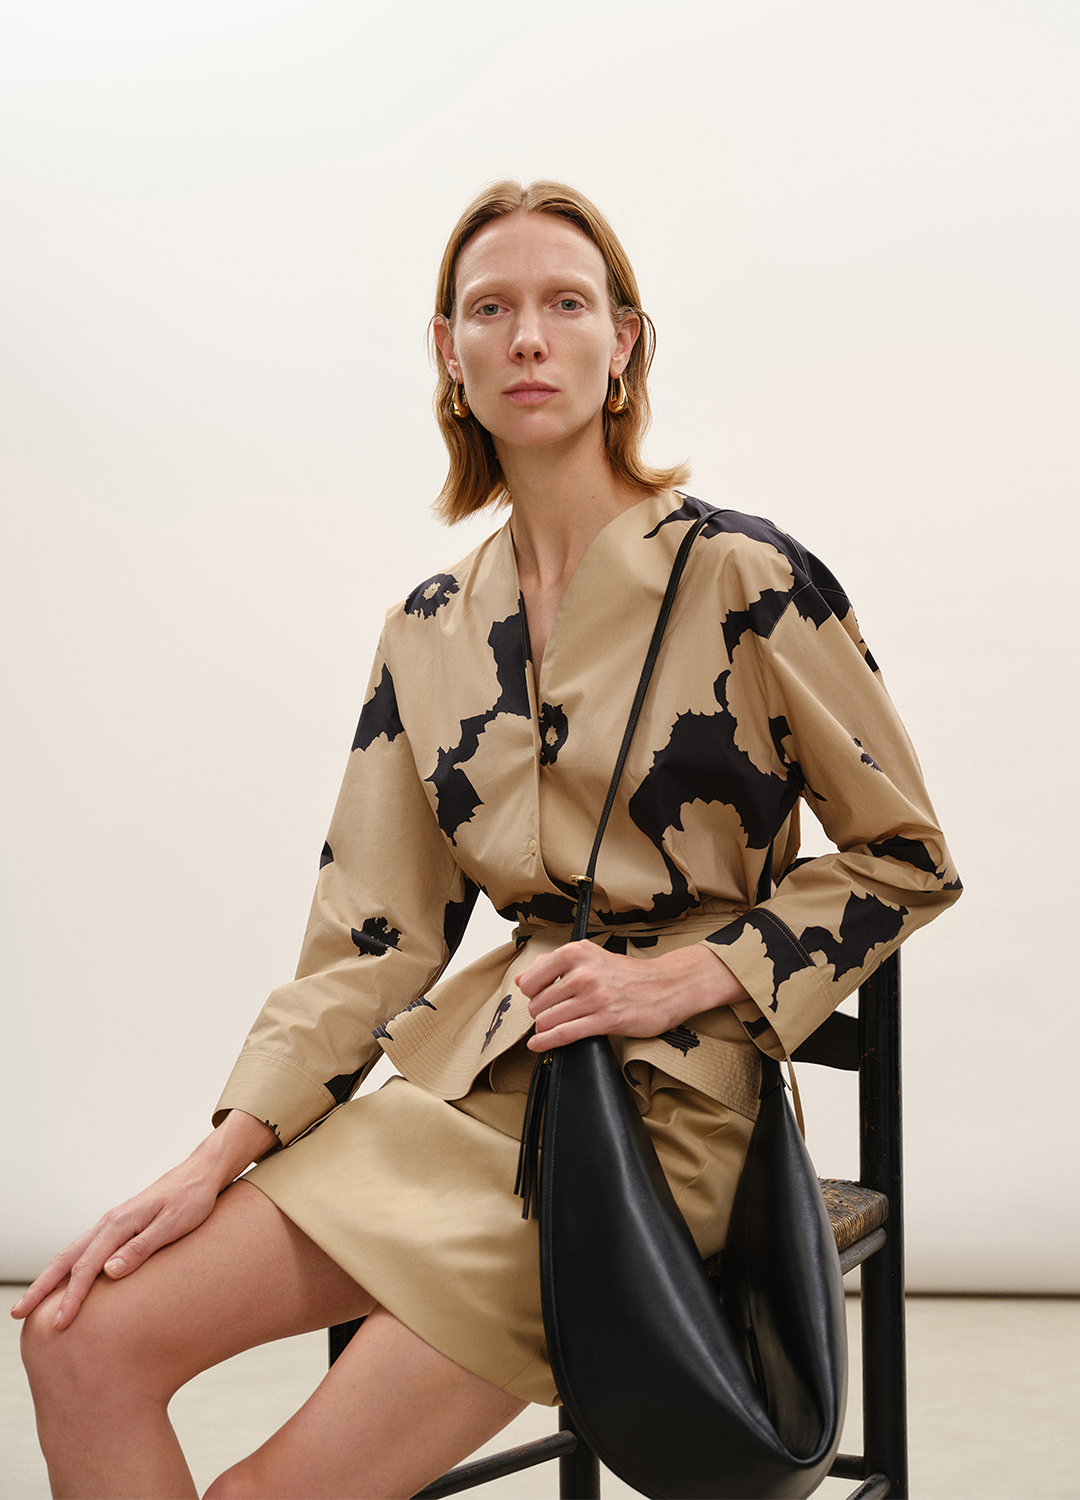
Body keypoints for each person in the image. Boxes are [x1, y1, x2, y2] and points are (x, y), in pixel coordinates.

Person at [14, 180, 961, 1500]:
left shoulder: (747, 580)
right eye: (490, 308)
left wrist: (688, 977)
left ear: (624, 343)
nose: (527, 336)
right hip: (466, 1096)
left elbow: (903, 856)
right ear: (447, 352)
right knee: (76, 1341)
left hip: (660, 1130)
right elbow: (369, 943)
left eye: (565, 303)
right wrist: (218, 1154)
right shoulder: (429, 627)